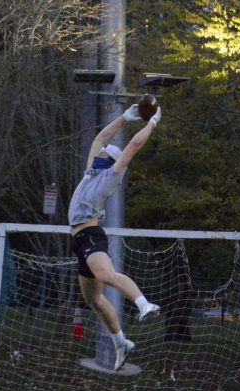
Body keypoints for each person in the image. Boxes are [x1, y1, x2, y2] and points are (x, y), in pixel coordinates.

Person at [68, 103, 162, 371]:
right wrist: (123, 117)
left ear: (109, 161)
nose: (99, 152)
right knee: (94, 299)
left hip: (91, 236)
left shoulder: (110, 176)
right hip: (79, 241)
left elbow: (132, 147)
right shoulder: (91, 172)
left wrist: (152, 122)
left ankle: (144, 304)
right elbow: (101, 138)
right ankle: (120, 341)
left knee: (107, 275)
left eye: (104, 154)